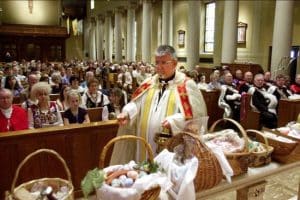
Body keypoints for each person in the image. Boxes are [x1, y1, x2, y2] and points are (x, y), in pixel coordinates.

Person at [110, 45, 207, 164]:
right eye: (157, 62)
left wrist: (173, 121)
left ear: (174, 63)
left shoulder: (186, 85)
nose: (159, 67)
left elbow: (195, 117)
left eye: (163, 63)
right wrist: (127, 113)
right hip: (143, 143)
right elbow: (136, 104)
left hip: (170, 143)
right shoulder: (149, 83)